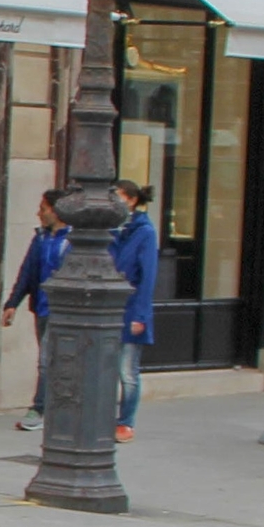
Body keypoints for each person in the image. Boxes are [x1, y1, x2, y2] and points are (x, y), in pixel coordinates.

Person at [0, 190, 69, 430]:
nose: (39, 213)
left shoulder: (73, 239)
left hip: (65, 311)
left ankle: (40, 408)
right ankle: (55, 407)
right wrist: (12, 304)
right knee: (51, 360)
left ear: (57, 211)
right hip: (42, 308)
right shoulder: (41, 238)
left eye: (43, 209)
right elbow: (27, 273)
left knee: (46, 360)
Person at [109, 179, 159, 444]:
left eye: (117, 196)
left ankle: (126, 421)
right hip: (111, 308)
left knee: (127, 371)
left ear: (130, 199)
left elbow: (148, 276)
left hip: (131, 309)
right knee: (107, 367)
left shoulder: (145, 231)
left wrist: (140, 315)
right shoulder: (117, 229)